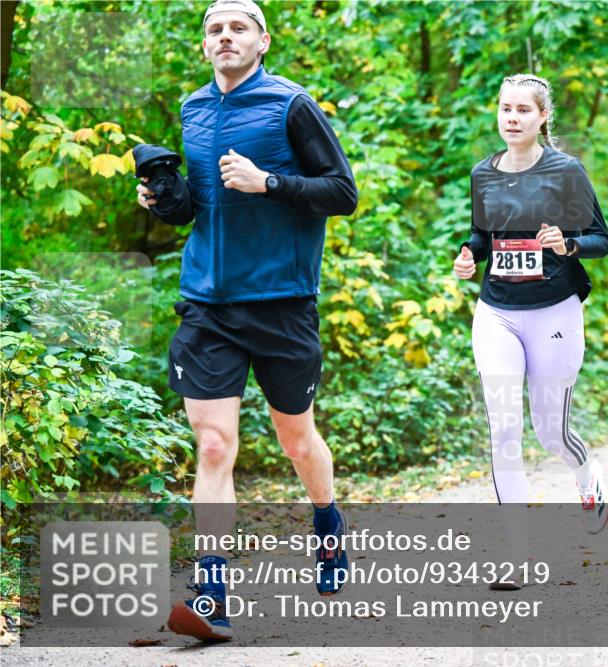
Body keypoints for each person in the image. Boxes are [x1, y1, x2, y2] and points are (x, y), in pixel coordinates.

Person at [135, 0, 358, 642]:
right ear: (204, 46)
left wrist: (270, 183)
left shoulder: (292, 105)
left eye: (238, 27)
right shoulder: (194, 110)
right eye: (214, 29)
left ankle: (327, 522)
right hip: (207, 303)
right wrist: (164, 201)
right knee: (212, 445)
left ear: (262, 40)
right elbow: (198, 206)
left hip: (283, 301)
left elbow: (343, 192)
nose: (224, 36)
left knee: (296, 440)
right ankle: (211, 593)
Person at [452, 73, 608, 540]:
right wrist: (468, 254)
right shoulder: (483, 172)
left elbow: (601, 240)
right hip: (497, 312)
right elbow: (483, 235)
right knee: (504, 430)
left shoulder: (566, 171)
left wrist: (567, 244)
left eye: (523, 110)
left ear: (542, 117)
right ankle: (514, 546)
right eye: (506, 108)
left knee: (550, 434)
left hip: (554, 312)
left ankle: (587, 477)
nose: (512, 117)